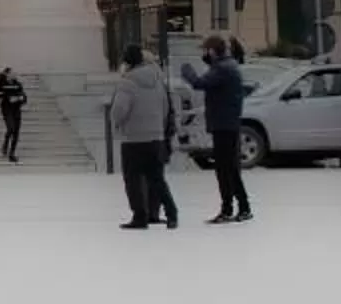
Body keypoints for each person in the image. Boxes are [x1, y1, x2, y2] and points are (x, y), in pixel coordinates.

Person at [179, 36, 254, 224]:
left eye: (206, 50)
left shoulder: (223, 69)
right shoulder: (228, 66)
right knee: (229, 169)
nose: (204, 54)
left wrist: (187, 71)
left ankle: (233, 208)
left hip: (224, 125)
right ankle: (238, 207)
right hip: (227, 123)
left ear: (213, 51)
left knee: (226, 169)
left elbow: (199, 83)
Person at [107, 45, 176, 230]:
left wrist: (116, 123)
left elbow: (119, 110)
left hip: (133, 139)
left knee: (133, 179)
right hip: (156, 137)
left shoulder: (127, 82)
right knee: (157, 178)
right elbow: (165, 107)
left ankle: (140, 216)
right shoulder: (158, 80)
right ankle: (171, 212)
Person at [0, 67, 28, 164]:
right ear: (7, 74)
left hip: (16, 110)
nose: (14, 74)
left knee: (16, 132)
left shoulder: (18, 84)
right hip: (7, 109)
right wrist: (8, 99)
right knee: (11, 128)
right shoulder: (2, 85)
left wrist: (19, 99)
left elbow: (24, 98)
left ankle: (12, 153)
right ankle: (5, 144)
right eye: (12, 73)